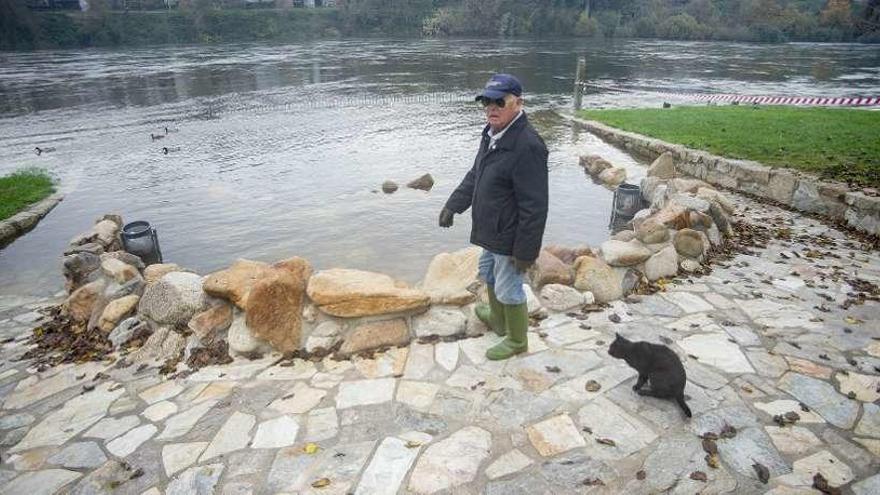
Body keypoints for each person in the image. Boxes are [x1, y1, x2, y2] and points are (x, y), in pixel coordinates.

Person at [439, 73, 549, 361]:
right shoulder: (491, 134)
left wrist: (526, 251)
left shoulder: (528, 146)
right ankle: (499, 321)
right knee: (488, 273)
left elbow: (535, 206)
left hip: (510, 237)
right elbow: (476, 174)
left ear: (518, 102)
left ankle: (516, 339)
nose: (491, 108)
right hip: (491, 230)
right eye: (486, 101)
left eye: (499, 101)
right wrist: (453, 205)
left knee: (509, 287)